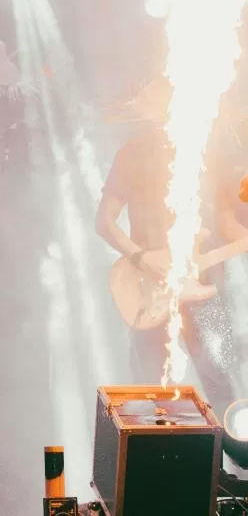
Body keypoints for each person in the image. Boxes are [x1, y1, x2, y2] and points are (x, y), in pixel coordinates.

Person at [95, 78, 240, 410]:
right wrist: (141, 257)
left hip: (204, 284)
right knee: (150, 387)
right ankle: (157, 441)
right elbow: (103, 221)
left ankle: (232, 442)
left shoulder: (209, 154)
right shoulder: (133, 153)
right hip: (151, 289)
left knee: (222, 381)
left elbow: (225, 220)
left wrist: (240, 237)